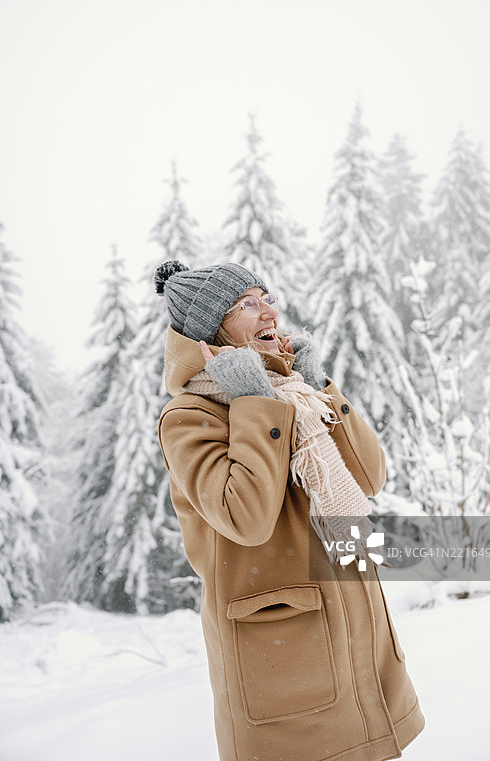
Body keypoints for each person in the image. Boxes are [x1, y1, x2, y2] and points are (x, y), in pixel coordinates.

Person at [155, 259, 425, 761]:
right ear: (212, 330)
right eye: (247, 304)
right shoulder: (189, 417)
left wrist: (318, 385)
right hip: (287, 659)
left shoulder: (295, 392)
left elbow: (369, 478)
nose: (269, 313)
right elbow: (247, 518)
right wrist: (255, 403)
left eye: (267, 297)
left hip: (358, 641)